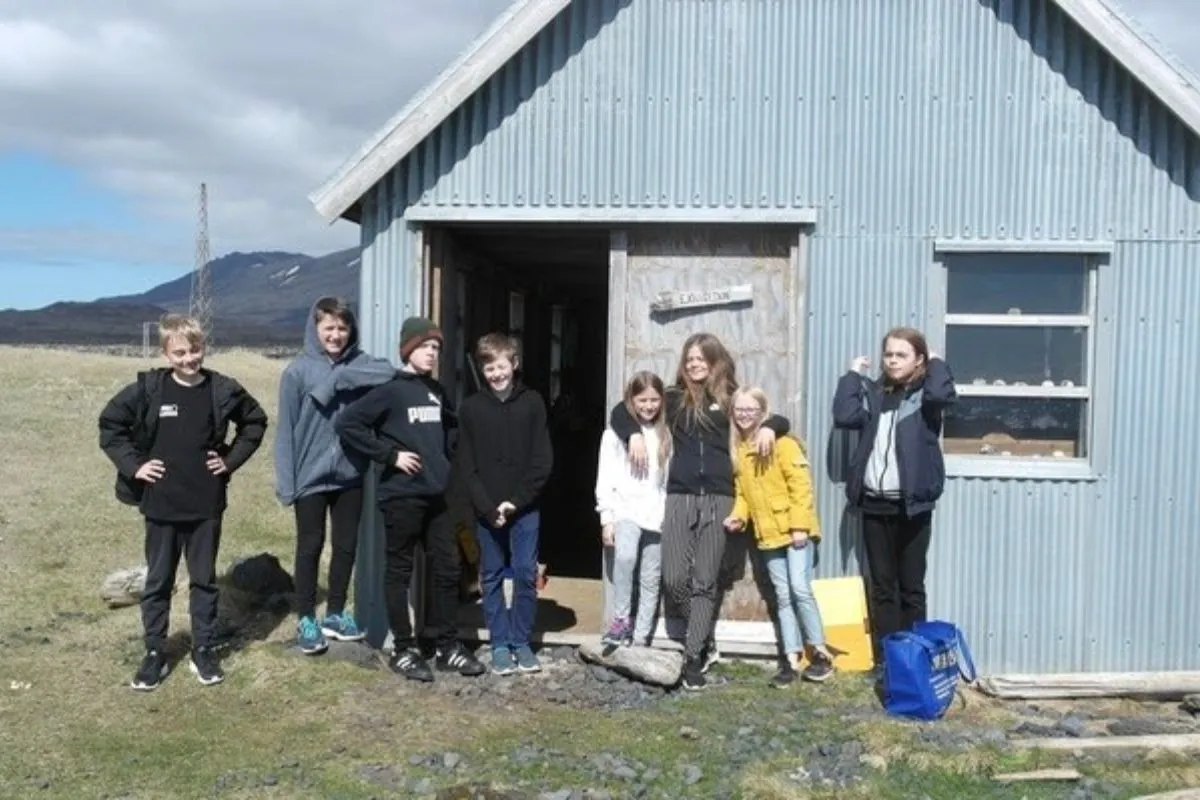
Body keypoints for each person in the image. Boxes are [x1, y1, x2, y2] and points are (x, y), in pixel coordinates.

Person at [608, 333, 791, 690]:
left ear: (715, 361)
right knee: (674, 577)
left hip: (720, 498)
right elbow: (622, 409)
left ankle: (694, 657)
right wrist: (631, 434)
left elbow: (774, 416)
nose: (694, 364)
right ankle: (703, 635)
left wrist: (769, 426)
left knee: (705, 582)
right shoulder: (674, 399)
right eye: (689, 359)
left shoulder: (730, 398)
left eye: (701, 359)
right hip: (679, 496)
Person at [98, 313, 268, 691]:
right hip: (160, 503)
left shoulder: (221, 389)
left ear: (203, 347)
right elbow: (110, 425)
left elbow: (255, 422)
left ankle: (204, 649)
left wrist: (228, 460)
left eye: (195, 350)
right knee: (158, 581)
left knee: (204, 581)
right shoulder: (149, 390)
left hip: (206, 503)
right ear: (165, 353)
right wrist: (135, 465)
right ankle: (155, 653)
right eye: (180, 353)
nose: (189, 358)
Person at [334, 316, 485, 682]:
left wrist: (451, 463)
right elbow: (348, 424)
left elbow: (449, 431)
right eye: (425, 347)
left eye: (436, 348)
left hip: (438, 496)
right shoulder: (390, 391)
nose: (432, 353)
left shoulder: (436, 391)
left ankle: (448, 647)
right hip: (401, 497)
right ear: (408, 350)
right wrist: (389, 456)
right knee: (399, 573)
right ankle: (404, 648)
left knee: (448, 569)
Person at [274, 297, 396, 656]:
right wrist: (287, 483)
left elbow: (387, 371)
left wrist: (339, 378)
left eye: (343, 328)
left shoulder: (359, 365)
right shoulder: (296, 373)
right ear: (315, 330)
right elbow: (286, 433)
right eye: (329, 327)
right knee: (310, 547)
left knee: (346, 546)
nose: (336, 334)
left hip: (349, 474)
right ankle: (306, 618)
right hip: (309, 478)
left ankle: (336, 613)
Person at [831, 326, 956, 673]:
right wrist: (854, 375)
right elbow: (844, 416)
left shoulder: (925, 397)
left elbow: (943, 395)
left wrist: (936, 362)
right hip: (874, 504)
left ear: (918, 359)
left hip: (912, 506)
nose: (892, 361)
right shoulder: (874, 393)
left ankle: (914, 660)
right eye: (888, 354)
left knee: (911, 587)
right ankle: (887, 660)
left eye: (902, 355)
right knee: (883, 587)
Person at [724, 386, 834, 687]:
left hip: (795, 531)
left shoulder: (783, 444)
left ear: (763, 413)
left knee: (800, 589)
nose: (744, 415)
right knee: (782, 595)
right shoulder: (741, 451)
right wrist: (738, 516)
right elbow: (744, 495)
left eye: (751, 410)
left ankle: (820, 652)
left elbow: (801, 487)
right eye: (739, 410)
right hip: (767, 534)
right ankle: (790, 657)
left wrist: (799, 526)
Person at [456, 333, 553, 675]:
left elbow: (543, 460)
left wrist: (516, 501)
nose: (496, 373)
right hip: (487, 510)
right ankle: (499, 643)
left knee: (526, 573)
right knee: (492, 575)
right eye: (488, 367)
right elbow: (465, 466)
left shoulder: (533, 403)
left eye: (501, 365)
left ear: (514, 364)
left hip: (525, 508)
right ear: (482, 370)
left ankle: (521, 641)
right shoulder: (470, 409)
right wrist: (487, 506)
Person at [595, 371, 670, 649]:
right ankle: (620, 621)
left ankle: (641, 636)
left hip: (657, 513)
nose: (648, 406)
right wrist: (607, 518)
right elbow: (605, 478)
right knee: (624, 561)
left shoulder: (665, 434)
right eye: (642, 400)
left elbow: (667, 478)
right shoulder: (615, 434)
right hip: (626, 509)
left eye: (654, 400)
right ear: (631, 400)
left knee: (651, 576)